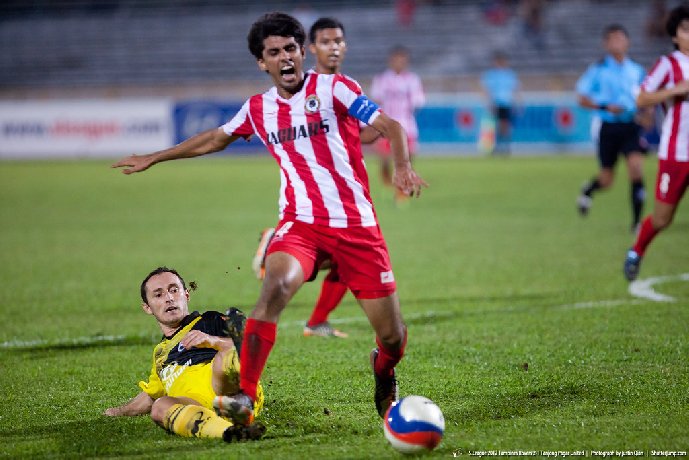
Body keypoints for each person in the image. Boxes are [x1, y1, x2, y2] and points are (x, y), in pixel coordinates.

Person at [112, 12, 427, 426]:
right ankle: (243, 395)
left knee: (393, 337)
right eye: (274, 52)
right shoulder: (258, 108)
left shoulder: (335, 88)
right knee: (275, 285)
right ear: (262, 62)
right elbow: (215, 138)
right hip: (301, 224)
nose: (285, 58)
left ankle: (383, 370)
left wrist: (402, 167)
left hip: (356, 227)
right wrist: (155, 156)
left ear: (303, 52)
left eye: (291, 49)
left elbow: (392, 126)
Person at [252, 17, 382, 339]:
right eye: (325, 42)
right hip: (327, 195)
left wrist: (375, 128)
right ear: (311, 49)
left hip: (353, 187)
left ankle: (316, 320)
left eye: (338, 41)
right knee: (350, 257)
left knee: (342, 261)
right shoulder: (309, 90)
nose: (333, 47)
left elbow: (355, 134)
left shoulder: (348, 86)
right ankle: (315, 318)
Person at [104, 267, 265, 442]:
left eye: (174, 290)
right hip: (195, 405)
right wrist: (117, 411)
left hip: (225, 386)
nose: (169, 298)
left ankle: (239, 400)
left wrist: (213, 341)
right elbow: (151, 396)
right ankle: (229, 431)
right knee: (160, 406)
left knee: (225, 356)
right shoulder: (160, 354)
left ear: (186, 295)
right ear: (147, 308)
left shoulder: (210, 321)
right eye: (158, 295)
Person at [624, 4, 689, 281]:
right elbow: (640, 98)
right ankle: (636, 251)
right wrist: (676, 89)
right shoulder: (669, 65)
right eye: (686, 30)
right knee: (662, 219)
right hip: (676, 153)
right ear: (675, 36)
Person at [575, 24, 648, 233]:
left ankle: (636, 223)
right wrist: (605, 106)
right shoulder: (597, 70)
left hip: (630, 125)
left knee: (636, 167)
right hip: (608, 126)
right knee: (607, 180)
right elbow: (581, 98)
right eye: (612, 39)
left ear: (628, 42)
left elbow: (646, 96)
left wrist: (647, 113)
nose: (617, 43)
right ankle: (589, 189)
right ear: (605, 44)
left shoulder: (637, 70)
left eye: (620, 38)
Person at [371, 45, 426, 204]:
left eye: (402, 60)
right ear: (391, 61)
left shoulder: (413, 79)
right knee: (385, 160)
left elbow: (418, 101)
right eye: (396, 60)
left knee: (408, 158)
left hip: (407, 125)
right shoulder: (381, 79)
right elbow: (377, 100)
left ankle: (402, 190)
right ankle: (387, 177)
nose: (399, 63)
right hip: (387, 125)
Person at [480, 50, 520, 155]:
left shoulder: (510, 74)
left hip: (506, 104)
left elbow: (514, 90)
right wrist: (488, 103)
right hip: (495, 104)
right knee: (494, 126)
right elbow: (487, 90)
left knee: (505, 125)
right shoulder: (491, 75)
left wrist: (518, 102)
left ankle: (505, 147)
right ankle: (494, 147)